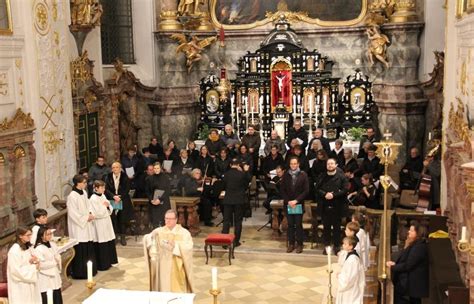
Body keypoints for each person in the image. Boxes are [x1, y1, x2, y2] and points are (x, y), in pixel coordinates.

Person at [143, 209, 194, 293]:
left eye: (170, 219)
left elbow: (189, 248)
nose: (168, 221)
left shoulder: (184, 233)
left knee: (177, 291)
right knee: (164, 289)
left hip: (177, 267)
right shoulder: (159, 231)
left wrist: (176, 245)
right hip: (163, 266)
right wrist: (150, 237)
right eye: (166, 218)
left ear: (176, 220)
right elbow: (148, 239)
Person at [387, 222, 429, 304]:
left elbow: (408, 265)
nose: (408, 232)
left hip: (414, 282)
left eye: (411, 230)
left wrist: (393, 267)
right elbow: (405, 259)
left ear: (418, 233)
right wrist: (395, 265)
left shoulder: (419, 247)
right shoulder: (416, 244)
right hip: (413, 281)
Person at [67, 174, 97, 279]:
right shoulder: (72, 196)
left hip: (86, 224)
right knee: (81, 249)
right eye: (83, 182)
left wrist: (90, 213)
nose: (85, 184)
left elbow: (88, 205)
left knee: (88, 246)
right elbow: (72, 213)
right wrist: (85, 218)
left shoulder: (84, 193)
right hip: (79, 227)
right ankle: (80, 273)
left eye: (85, 182)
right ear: (77, 183)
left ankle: (90, 270)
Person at [316, 158, 349, 254]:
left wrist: (333, 195)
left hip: (337, 206)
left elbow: (345, 190)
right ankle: (326, 246)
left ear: (336, 165)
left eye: (332, 164)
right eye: (328, 164)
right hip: (325, 206)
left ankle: (337, 245)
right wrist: (325, 194)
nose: (330, 165)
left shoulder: (342, 177)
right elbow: (317, 189)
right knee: (326, 228)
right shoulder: (322, 176)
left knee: (336, 228)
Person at [280, 156, 309, 254]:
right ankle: (291, 244)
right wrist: (288, 201)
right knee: (290, 225)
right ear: (289, 164)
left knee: (298, 224)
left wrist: (296, 201)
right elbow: (282, 190)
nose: (293, 165)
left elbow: (306, 191)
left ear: (298, 164)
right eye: (291, 164)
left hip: (298, 204)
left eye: (295, 163)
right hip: (288, 204)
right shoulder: (285, 175)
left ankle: (299, 244)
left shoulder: (303, 175)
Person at [222, 158, 251, 247]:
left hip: (228, 200)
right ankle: (236, 241)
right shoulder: (242, 174)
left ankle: (224, 242)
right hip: (239, 200)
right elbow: (246, 185)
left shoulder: (226, 174)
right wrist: (246, 171)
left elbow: (224, 186)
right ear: (238, 165)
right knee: (238, 221)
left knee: (226, 221)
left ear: (230, 165)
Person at [7, 226, 41, 304]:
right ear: (20, 236)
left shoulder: (27, 246)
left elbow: (26, 262)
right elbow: (16, 271)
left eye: (31, 235)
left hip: (29, 281)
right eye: (28, 235)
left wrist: (33, 261)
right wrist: (33, 267)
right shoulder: (14, 251)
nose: (30, 237)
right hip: (21, 285)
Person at [89, 180, 118, 271]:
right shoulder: (93, 198)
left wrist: (108, 206)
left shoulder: (103, 195)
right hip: (99, 223)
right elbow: (96, 213)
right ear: (96, 188)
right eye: (102, 188)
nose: (104, 189)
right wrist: (105, 206)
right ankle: (103, 264)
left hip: (106, 221)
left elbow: (110, 207)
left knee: (108, 240)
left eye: (104, 187)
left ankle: (109, 261)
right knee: (102, 242)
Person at [103, 162, 134, 246]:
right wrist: (113, 196)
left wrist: (119, 197)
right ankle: (115, 237)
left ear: (120, 168)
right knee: (114, 219)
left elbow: (127, 188)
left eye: (117, 167)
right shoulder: (108, 177)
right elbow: (106, 189)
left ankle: (123, 237)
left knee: (122, 219)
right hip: (112, 200)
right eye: (113, 167)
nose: (115, 169)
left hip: (123, 199)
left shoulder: (125, 177)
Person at [34, 226, 63, 304]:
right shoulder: (38, 249)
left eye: (50, 234)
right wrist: (54, 262)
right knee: (48, 296)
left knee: (56, 294)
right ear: (41, 236)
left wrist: (58, 259)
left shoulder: (53, 244)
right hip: (45, 277)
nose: (50, 236)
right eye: (47, 234)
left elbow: (57, 255)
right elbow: (40, 264)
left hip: (54, 274)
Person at [336, 236, 365, 304]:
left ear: (351, 246)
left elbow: (350, 278)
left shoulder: (353, 260)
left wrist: (340, 276)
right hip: (350, 287)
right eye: (343, 244)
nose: (343, 245)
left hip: (351, 290)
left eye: (345, 244)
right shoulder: (349, 254)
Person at [146, 162, 172, 228]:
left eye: (158, 168)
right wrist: (151, 199)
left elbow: (168, 191)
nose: (156, 170)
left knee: (164, 222)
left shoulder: (166, 177)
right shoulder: (149, 178)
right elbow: (148, 191)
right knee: (155, 222)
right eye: (155, 168)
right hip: (153, 203)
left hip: (164, 202)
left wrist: (159, 200)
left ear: (160, 168)